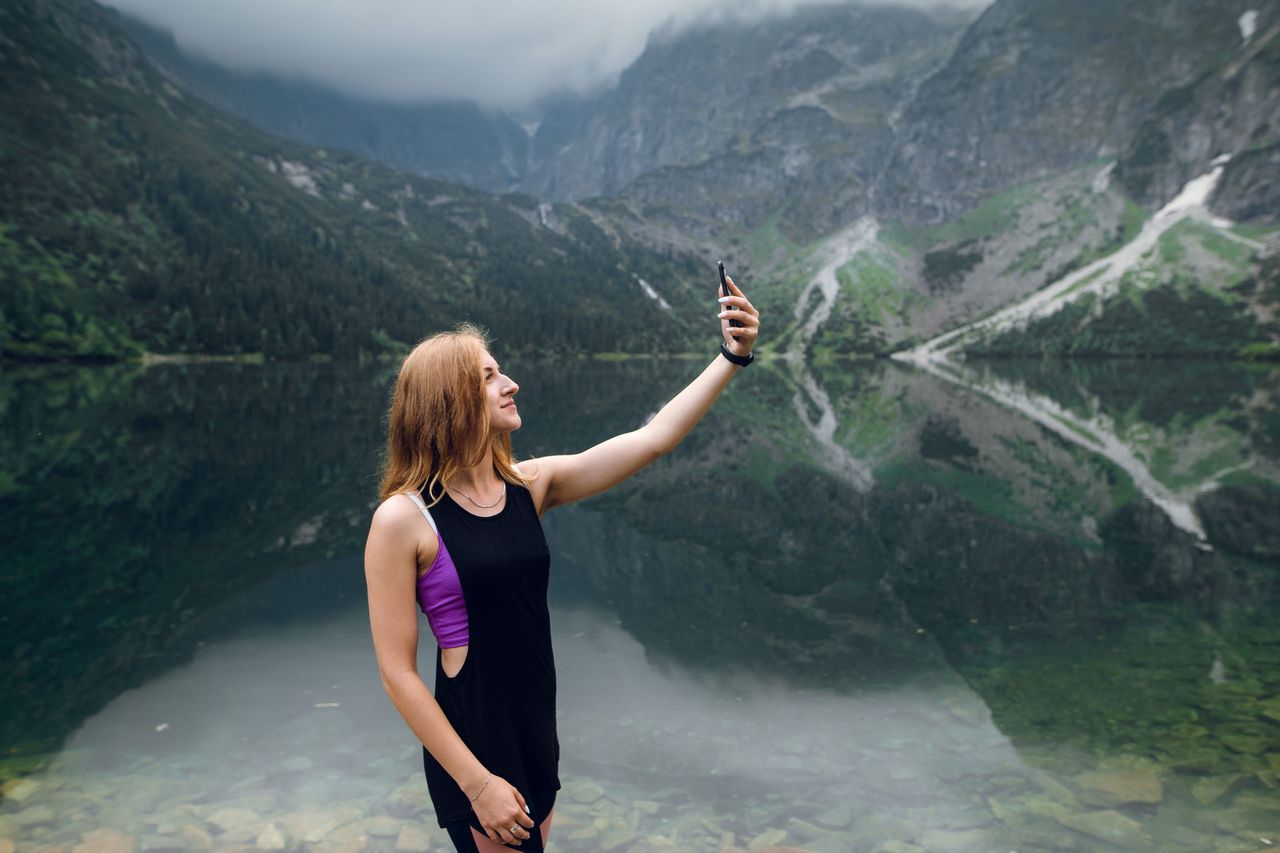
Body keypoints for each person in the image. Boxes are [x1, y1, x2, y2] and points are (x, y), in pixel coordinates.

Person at [364, 275, 760, 850]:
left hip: (535, 724)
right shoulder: (403, 520)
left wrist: (732, 356)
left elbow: (654, 439)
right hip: (476, 736)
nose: (511, 384)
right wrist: (477, 786)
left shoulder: (529, 484)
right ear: (448, 398)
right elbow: (397, 675)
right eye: (490, 376)